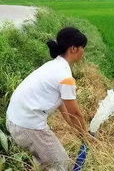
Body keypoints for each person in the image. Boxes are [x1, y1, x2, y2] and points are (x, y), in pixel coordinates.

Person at [6, 27, 89, 170]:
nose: (84, 51)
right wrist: (86, 137)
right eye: (83, 47)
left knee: (47, 162)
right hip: (28, 126)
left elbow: (64, 108)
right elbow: (75, 114)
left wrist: (76, 130)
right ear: (73, 49)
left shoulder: (54, 65)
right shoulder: (65, 77)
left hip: (16, 120)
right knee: (62, 165)